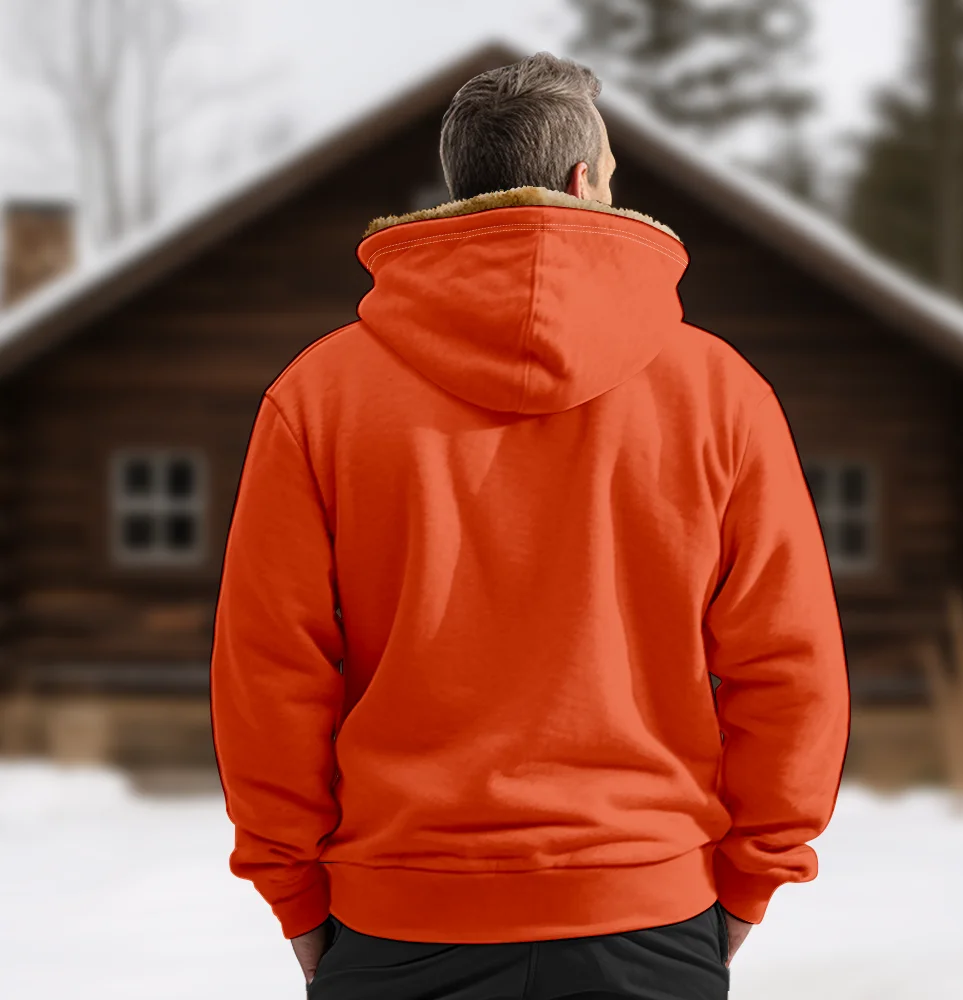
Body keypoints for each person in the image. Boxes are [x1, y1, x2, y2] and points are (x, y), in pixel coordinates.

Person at [210, 50, 851, 1000]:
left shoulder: (319, 397)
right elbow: (790, 667)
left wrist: (295, 892)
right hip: (645, 906)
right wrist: (751, 878)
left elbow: (269, 671)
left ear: (459, 191)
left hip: (399, 917)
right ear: (587, 181)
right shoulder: (722, 394)